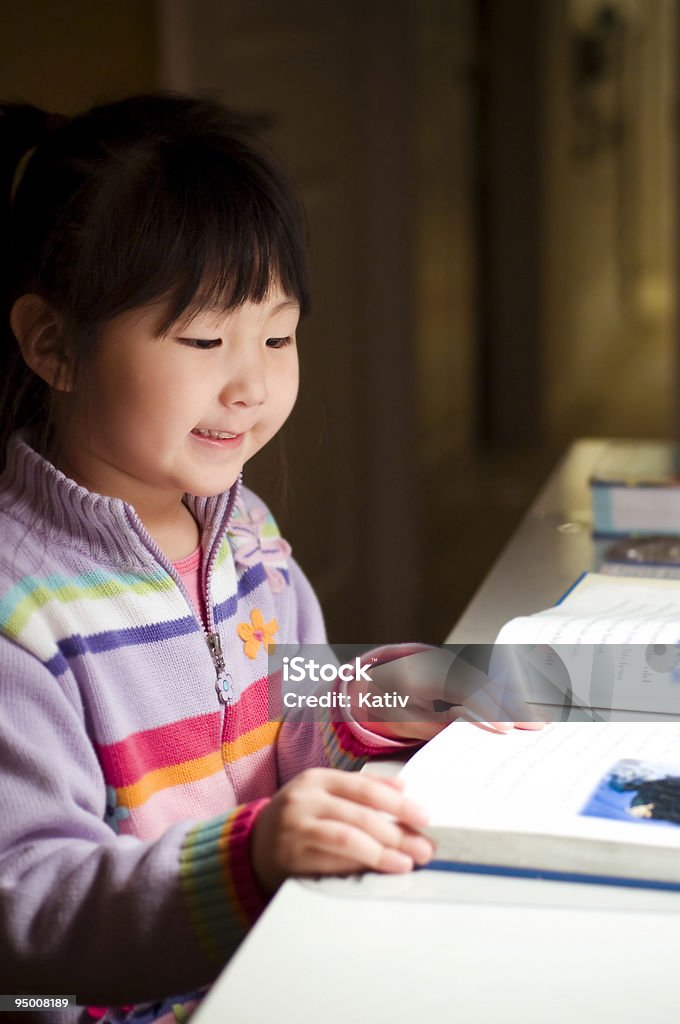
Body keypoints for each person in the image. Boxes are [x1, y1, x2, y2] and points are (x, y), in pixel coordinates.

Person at [0, 92, 538, 1024]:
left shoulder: (236, 525)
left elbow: (287, 710)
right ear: (54, 345)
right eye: (206, 339)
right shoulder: (24, 612)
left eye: (278, 335)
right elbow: (27, 913)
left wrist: (386, 694)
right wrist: (249, 858)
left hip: (275, 961)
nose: (251, 384)